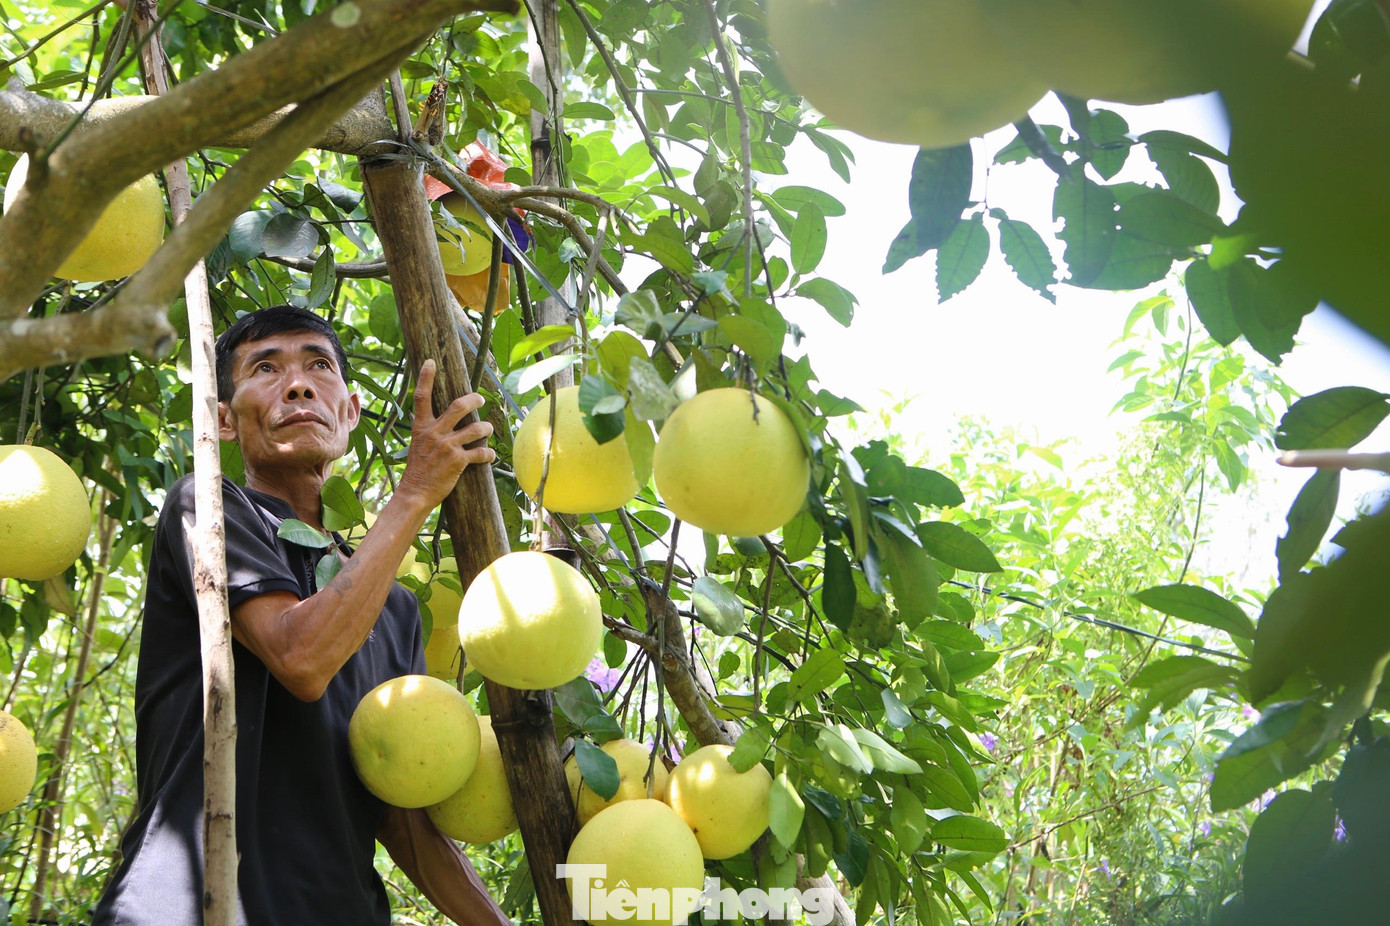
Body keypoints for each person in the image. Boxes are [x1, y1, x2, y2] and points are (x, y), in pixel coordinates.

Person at [93, 305, 508, 925]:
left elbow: (402, 815)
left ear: (351, 409)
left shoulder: (394, 609)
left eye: (319, 365)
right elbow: (301, 657)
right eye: (265, 367)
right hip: (186, 907)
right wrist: (417, 491)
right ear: (225, 421)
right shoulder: (207, 508)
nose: (297, 383)